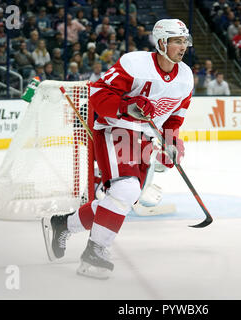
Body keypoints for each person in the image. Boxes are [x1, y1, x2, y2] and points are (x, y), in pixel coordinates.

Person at [42, 19, 194, 279]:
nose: (183, 46)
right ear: (161, 43)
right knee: (125, 189)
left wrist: (170, 141)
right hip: (116, 127)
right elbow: (98, 94)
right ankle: (95, 254)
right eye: (177, 41)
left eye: (184, 41)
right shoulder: (135, 63)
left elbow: (175, 117)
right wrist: (126, 106)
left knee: (122, 199)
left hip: (145, 137)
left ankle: (61, 224)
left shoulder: (186, 76)